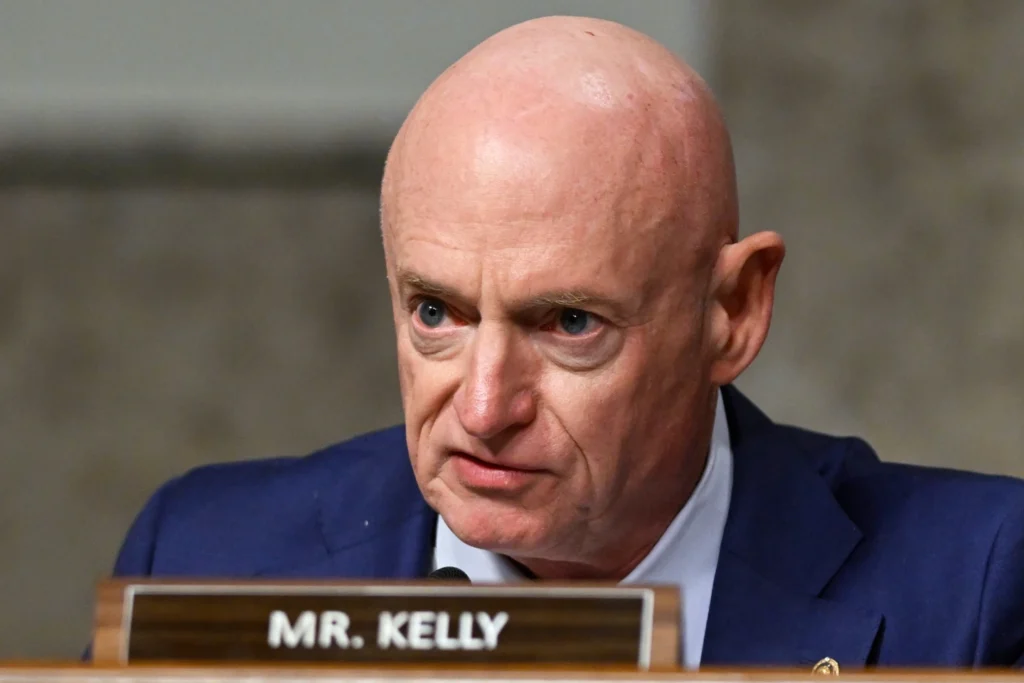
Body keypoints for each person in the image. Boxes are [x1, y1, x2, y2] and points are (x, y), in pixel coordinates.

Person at [109, 16, 1024, 669]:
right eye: (437, 313)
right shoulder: (200, 551)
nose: (482, 409)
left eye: (568, 324)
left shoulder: (974, 589)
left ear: (732, 312)